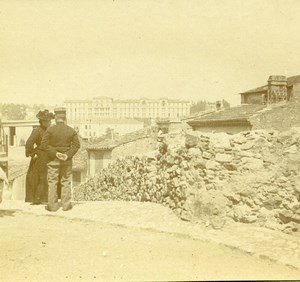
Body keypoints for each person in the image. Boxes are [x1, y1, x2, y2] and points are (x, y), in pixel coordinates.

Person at [41, 107, 80, 212]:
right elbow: (77, 145)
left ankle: (52, 206)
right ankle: (66, 205)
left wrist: (55, 153)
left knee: (52, 181)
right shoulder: (71, 130)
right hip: (66, 161)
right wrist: (67, 155)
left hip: (53, 159)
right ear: (65, 117)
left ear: (55, 117)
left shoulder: (50, 130)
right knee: (66, 181)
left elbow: (44, 144)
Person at [25, 109, 54, 204]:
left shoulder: (50, 130)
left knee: (46, 177)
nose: (49, 122)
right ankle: (37, 199)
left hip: (48, 156)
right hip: (40, 156)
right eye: (47, 121)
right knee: (39, 177)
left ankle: (44, 198)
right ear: (42, 121)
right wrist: (32, 153)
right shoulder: (37, 131)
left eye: (50, 120)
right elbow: (29, 143)